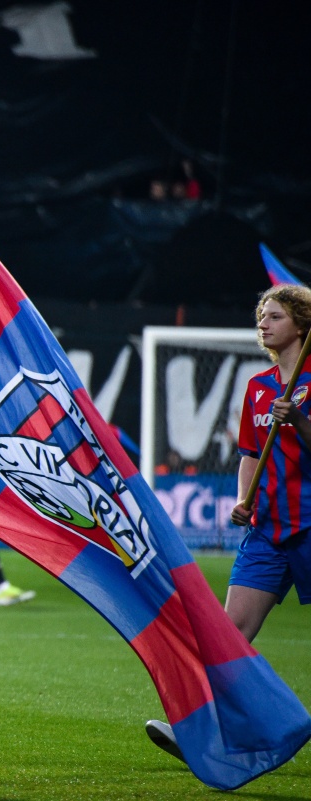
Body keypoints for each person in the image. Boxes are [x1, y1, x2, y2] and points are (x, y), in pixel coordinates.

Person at [146, 284, 311, 763]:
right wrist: (244, 499)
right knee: (228, 633)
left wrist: (300, 421)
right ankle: (197, 734)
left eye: (275, 316)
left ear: (301, 324)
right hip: (269, 531)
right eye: (262, 315)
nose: (264, 323)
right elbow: (250, 455)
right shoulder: (258, 387)